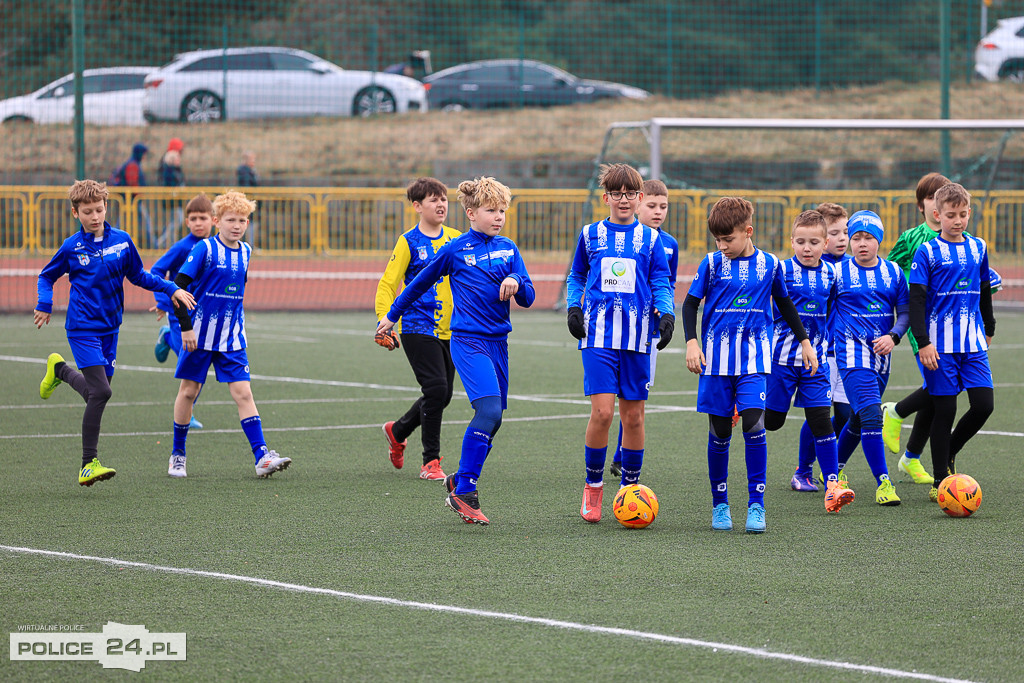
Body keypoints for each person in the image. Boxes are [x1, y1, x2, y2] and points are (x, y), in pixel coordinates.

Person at [376, 177, 535, 525]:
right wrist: (390, 316)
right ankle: (465, 491)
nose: (498, 217)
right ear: (471, 212)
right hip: (468, 341)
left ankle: (459, 480)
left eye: (502, 211)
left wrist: (517, 282)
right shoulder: (455, 249)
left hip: (499, 343)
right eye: (491, 210)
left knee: (494, 421)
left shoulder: (509, 248)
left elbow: (529, 297)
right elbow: (418, 283)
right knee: (489, 409)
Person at [34, 179, 195, 486]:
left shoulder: (122, 241)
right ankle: (87, 464)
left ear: (106, 207)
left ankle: (60, 370)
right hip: (82, 327)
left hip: (111, 328)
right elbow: (46, 276)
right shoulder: (72, 247)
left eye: (99, 209)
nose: (94, 216)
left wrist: (171, 288)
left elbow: (140, 276)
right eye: (87, 212)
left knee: (97, 391)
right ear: (75, 213)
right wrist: (44, 303)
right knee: (103, 392)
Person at [682, 196, 817, 533]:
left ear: (748, 231)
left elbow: (785, 305)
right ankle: (720, 504)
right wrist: (691, 342)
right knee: (719, 432)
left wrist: (804, 341)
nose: (722, 245)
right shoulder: (711, 264)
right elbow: (689, 305)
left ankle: (757, 506)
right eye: (718, 240)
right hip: (715, 364)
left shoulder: (770, 265)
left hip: (755, 361)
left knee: (754, 426)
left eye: (728, 239)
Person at [566, 166, 674, 523]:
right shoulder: (590, 234)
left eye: (630, 194)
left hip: (638, 338)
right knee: (603, 413)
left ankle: (631, 489)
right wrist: (573, 307)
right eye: (617, 193)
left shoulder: (653, 240)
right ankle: (593, 487)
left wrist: (666, 314)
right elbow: (577, 275)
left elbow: (661, 279)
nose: (624, 199)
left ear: (639, 198)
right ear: (606, 198)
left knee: (634, 417)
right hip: (597, 337)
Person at [167, 191, 292, 479]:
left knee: (243, 392)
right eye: (231, 220)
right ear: (216, 221)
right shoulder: (204, 250)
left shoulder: (247, 252)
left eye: (243, 220)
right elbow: (178, 288)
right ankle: (178, 454)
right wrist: (185, 327)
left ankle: (261, 456)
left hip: (232, 338)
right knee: (189, 391)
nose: (237, 225)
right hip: (199, 336)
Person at [906, 183, 995, 501]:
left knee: (984, 405)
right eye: (950, 215)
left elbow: (984, 289)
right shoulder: (927, 251)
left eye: (962, 215)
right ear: (937, 214)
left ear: (969, 213)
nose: (957, 221)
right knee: (945, 410)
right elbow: (917, 299)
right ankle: (940, 481)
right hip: (939, 346)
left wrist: (990, 324)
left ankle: (950, 452)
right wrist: (923, 341)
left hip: (972, 343)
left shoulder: (978, 247)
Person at [763, 210, 854, 512]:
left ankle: (832, 484)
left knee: (821, 421)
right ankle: (745, 406)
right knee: (773, 422)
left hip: (817, 363)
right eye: (800, 241)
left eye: (814, 242)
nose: (807, 248)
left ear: (825, 243)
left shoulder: (831, 274)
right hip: (781, 361)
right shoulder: (781, 271)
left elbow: (835, 311)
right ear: (791, 242)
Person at [374, 177, 460, 480]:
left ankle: (397, 431)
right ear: (417, 206)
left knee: (444, 395)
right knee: (436, 389)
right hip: (416, 326)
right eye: (433, 199)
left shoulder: (457, 237)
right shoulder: (408, 241)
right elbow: (388, 282)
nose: (441, 205)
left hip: (452, 328)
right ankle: (430, 462)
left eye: (444, 199)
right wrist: (385, 319)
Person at [831, 210, 909, 506]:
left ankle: (832, 472)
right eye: (856, 238)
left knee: (859, 417)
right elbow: (821, 310)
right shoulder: (837, 273)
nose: (862, 243)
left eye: (869, 238)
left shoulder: (894, 273)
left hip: (881, 358)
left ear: (879, 240)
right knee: (873, 414)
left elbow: (904, 313)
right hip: (850, 355)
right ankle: (884, 483)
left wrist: (894, 336)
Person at [879, 172, 952, 486]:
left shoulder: (956, 236)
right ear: (922, 205)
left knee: (942, 392)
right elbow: (888, 270)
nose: (937, 202)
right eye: (931, 197)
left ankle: (910, 457)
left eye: (942, 196)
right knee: (940, 388)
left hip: (952, 323)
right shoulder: (911, 238)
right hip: (922, 324)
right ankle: (897, 413)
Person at [608, 179, 678, 479]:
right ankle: (620, 455)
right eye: (652, 205)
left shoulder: (669, 244)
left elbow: (667, 283)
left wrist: (664, 311)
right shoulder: (629, 239)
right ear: (638, 204)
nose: (658, 211)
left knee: (637, 395)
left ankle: (623, 455)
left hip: (647, 332)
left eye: (663, 206)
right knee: (613, 399)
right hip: (616, 328)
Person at [151, 193, 216, 430]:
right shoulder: (181, 247)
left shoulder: (215, 247)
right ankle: (168, 336)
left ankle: (189, 412)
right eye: (193, 218)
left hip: (203, 314)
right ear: (187, 222)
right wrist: (163, 300)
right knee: (190, 358)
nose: (198, 223)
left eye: (203, 218)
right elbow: (156, 271)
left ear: (214, 220)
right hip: (179, 313)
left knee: (198, 361)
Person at [110, 142, 152, 246]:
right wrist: (139, 193)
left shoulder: (132, 163)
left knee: (122, 222)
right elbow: (132, 183)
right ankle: (153, 244)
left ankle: (111, 241)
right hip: (131, 200)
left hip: (129, 199)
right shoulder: (133, 164)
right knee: (125, 222)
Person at [157, 138, 186, 248]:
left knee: (175, 222)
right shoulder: (168, 166)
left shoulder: (172, 167)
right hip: (171, 199)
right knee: (175, 221)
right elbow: (166, 182)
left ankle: (168, 243)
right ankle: (163, 242)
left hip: (174, 199)